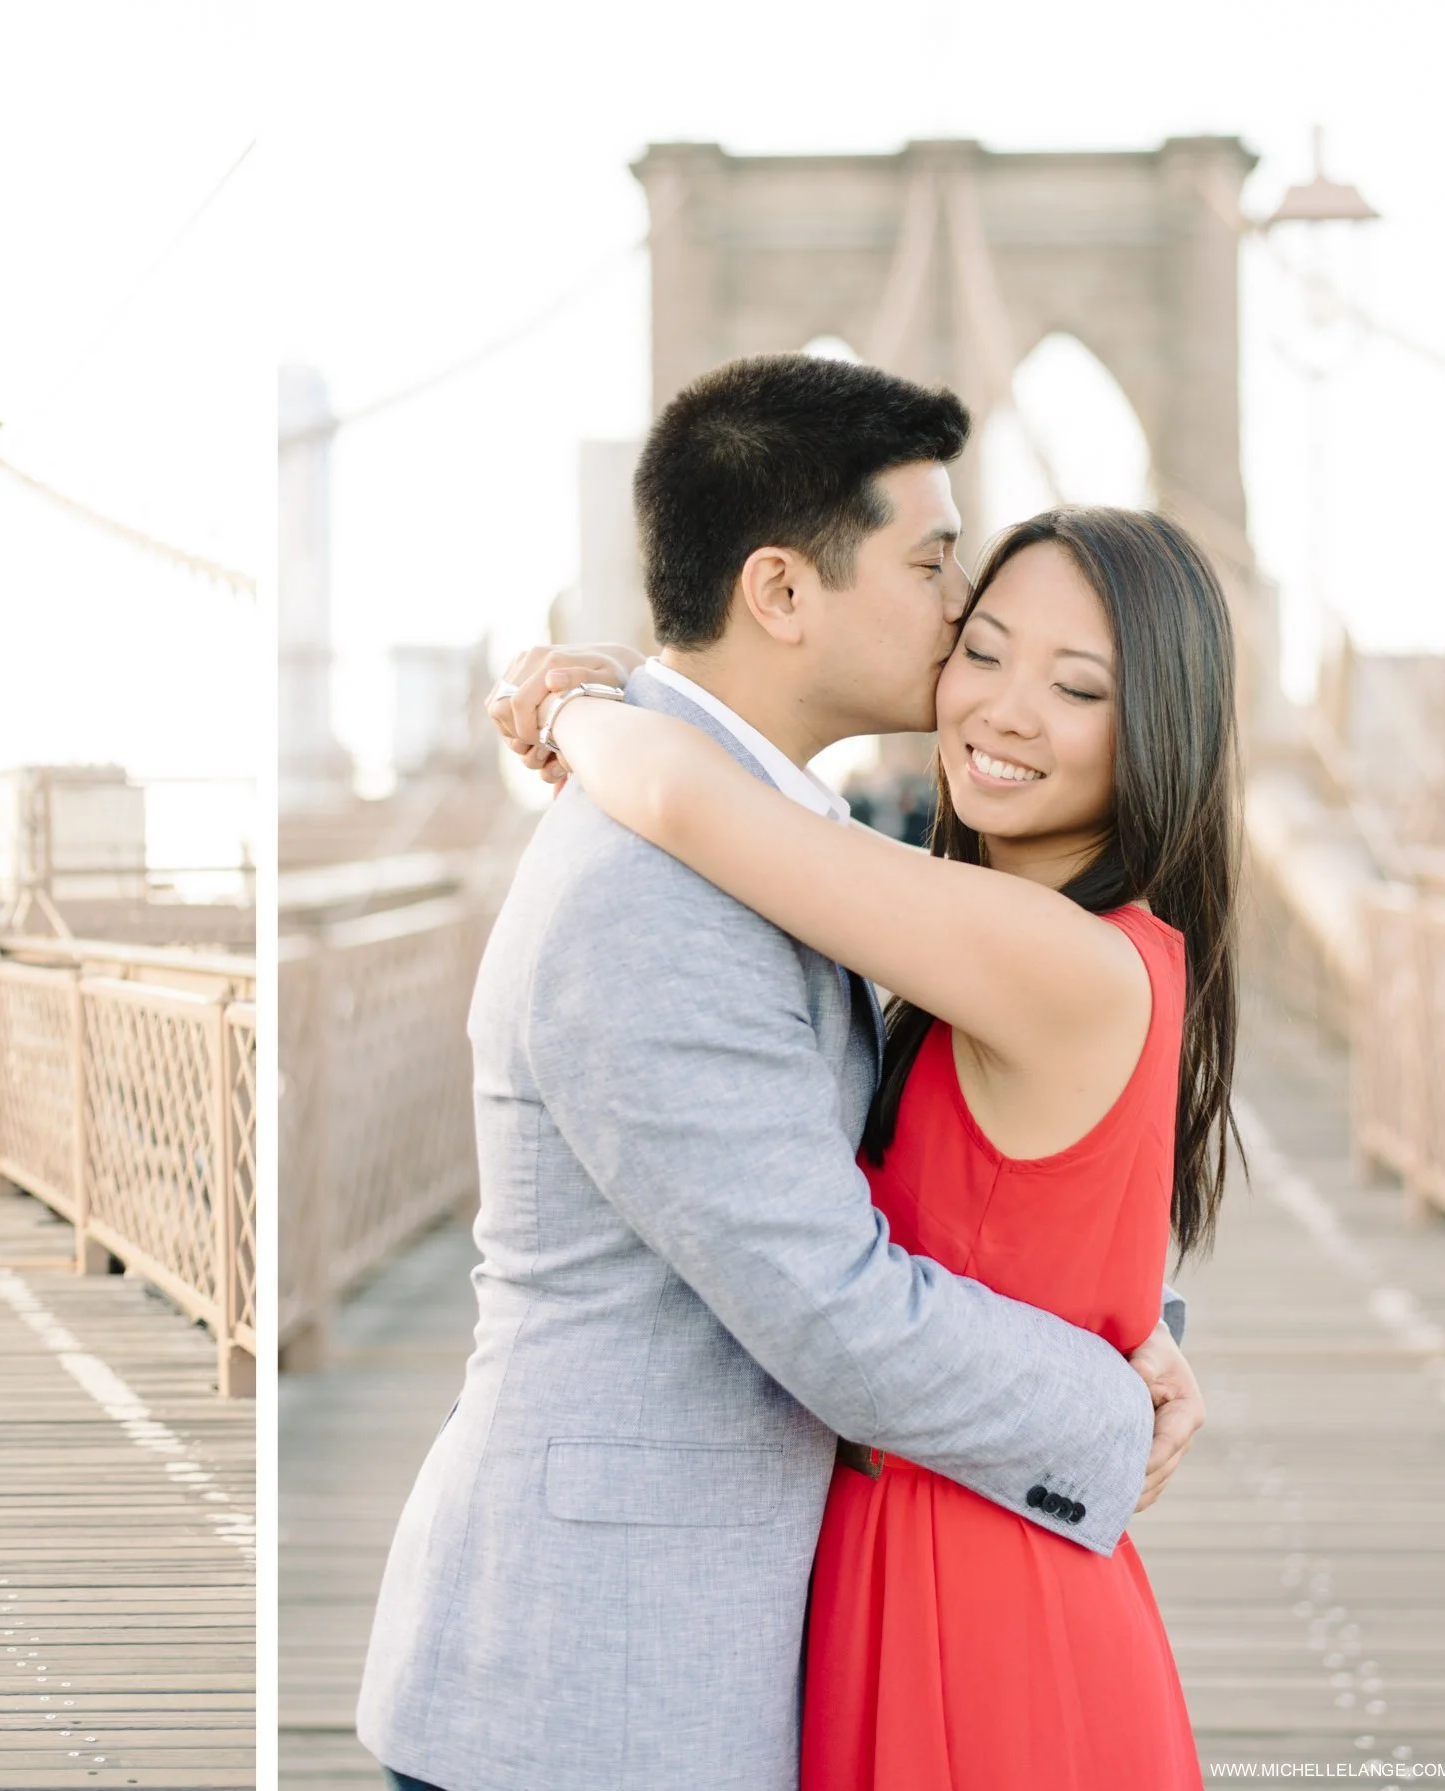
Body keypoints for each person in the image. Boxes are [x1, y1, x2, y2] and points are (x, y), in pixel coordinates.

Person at [355, 354, 1207, 1791]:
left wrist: (1125, 1312)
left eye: (1068, 679)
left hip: (743, 1645)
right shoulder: (652, 892)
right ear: (781, 591)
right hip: (591, 1694)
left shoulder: (753, 837)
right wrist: (1105, 1395)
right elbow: (834, 1311)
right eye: (937, 568)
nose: (956, 618)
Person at [528, 499, 1235, 1787]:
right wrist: (1133, 1333)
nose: (1005, 710)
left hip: (977, 1599)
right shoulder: (1011, 931)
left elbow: (692, 802)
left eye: (1077, 687)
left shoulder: (1055, 954)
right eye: (983, 650)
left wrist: (567, 707)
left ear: (1160, 730)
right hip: (933, 1550)